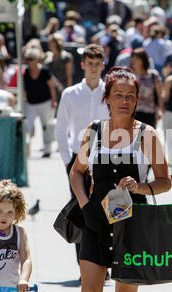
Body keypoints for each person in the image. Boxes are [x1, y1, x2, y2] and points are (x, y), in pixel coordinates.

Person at [70, 66, 172, 292]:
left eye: (130, 96)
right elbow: (76, 172)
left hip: (133, 223)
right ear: (106, 98)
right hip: (95, 220)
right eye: (118, 95)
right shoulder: (93, 131)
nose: (124, 101)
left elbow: (165, 182)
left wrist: (141, 187)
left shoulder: (148, 135)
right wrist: (85, 204)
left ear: (137, 100)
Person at [55, 44, 110, 279]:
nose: (94, 68)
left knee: (108, 210)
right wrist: (69, 161)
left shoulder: (110, 93)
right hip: (79, 163)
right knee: (82, 210)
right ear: (83, 65)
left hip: (107, 162)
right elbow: (60, 129)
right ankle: (84, 265)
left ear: (103, 66)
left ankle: (105, 262)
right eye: (90, 64)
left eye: (98, 64)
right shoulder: (70, 94)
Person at [23, 47, 57, 158]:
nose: (29, 61)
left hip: (45, 103)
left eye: (31, 59)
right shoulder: (26, 73)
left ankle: (48, 150)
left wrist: (54, 100)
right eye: (28, 59)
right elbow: (24, 90)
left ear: (37, 59)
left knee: (46, 127)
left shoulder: (45, 71)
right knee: (27, 127)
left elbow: (51, 86)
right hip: (30, 104)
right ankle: (26, 150)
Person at [130, 48, 163, 128]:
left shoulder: (153, 75)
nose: (133, 60)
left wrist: (160, 110)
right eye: (132, 58)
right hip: (131, 113)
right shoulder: (129, 75)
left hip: (149, 114)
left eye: (137, 58)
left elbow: (160, 95)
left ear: (143, 60)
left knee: (147, 139)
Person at [45, 33, 74, 102]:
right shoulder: (47, 56)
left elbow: (69, 75)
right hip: (49, 90)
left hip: (62, 88)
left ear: (55, 43)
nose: (48, 44)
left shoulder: (66, 57)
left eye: (50, 42)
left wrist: (68, 92)